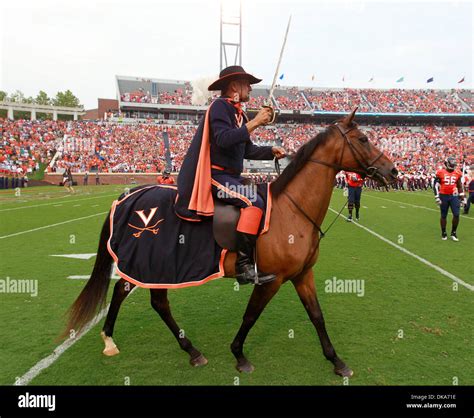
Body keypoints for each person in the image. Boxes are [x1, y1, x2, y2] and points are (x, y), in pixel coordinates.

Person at [175, 65, 286, 285]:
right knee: (253, 202)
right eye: (247, 85)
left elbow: (247, 150)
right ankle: (243, 266)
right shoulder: (219, 107)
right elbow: (224, 139)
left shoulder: (238, 113)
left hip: (233, 177)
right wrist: (255, 122)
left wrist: (269, 150)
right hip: (217, 176)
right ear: (234, 86)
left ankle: (253, 259)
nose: (251, 90)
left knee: (263, 200)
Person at [434, 156, 465, 241]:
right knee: (443, 215)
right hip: (443, 196)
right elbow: (435, 185)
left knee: (456, 214)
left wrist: (462, 197)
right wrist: (436, 196)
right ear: (446, 164)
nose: (453, 167)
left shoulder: (458, 173)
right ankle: (443, 232)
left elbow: (459, 186)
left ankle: (453, 232)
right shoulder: (440, 172)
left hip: (454, 196)